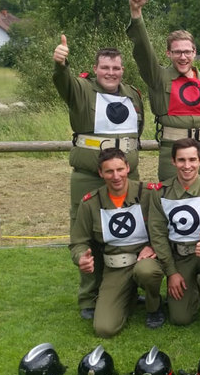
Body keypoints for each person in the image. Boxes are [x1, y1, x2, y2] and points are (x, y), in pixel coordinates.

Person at [53, 36, 144, 320]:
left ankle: (129, 288)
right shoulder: (81, 90)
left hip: (127, 176)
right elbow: (63, 82)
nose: (110, 73)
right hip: (89, 176)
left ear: (122, 70)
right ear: (95, 69)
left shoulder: (133, 94)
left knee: (129, 230)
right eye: (105, 68)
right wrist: (60, 64)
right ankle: (89, 297)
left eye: (116, 68)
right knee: (87, 234)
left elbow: (136, 132)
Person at [127, 0, 200, 190]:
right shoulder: (159, 78)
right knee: (173, 202)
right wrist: (137, 14)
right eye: (177, 52)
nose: (183, 57)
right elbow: (144, 52)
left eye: (187, 52)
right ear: (168, 53)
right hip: (173, 153)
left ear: (195, 53)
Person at [69, 148, 164, 338]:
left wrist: (153, 246)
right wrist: (81, 257)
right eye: (109, 171)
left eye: (120, 169)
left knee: (146, 271)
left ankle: (154, 307)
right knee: (105, 328)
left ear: (128, 167)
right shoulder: (90, 203)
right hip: (115, 267)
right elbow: (78, 242)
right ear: (100, 173)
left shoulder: (149, 193)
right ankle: (127, 296)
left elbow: (168, 226)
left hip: (144, 261)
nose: (116, 176)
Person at [148, 138, 200, 339]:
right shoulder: (160, 193)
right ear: (173, 161)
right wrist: (171, 272)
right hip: (179, 257)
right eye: (182, 160)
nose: (187, 166)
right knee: (180, 318)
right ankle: (196, 290)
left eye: (192, 160)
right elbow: (158, 233)